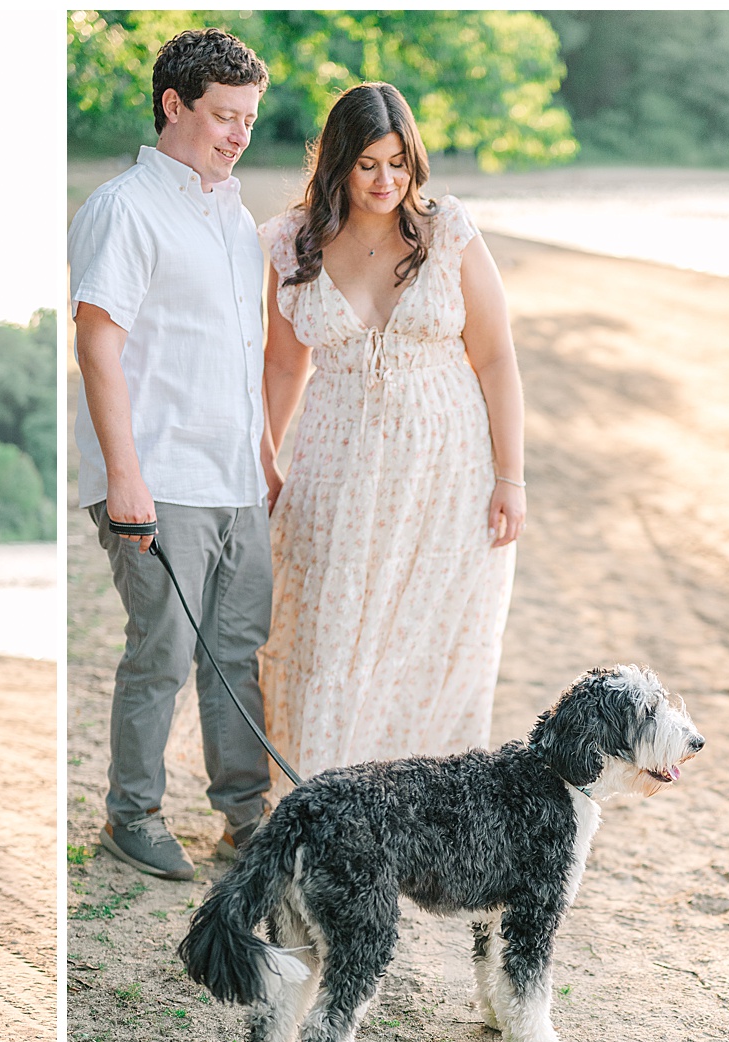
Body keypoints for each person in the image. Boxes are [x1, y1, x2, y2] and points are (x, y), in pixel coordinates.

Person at [258, 81, 524, 779]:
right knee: (326, 635)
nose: (386, 180)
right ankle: (313, 803)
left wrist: (510, 477)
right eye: (369, 163)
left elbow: (496, 359)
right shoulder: (295, 243)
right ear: (338, 161)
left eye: (399, 162)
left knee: (428, 646)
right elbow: (284, 367)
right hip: (336, 467)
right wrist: (263, 460)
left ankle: (414, 818)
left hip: (448, 475)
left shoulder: (448, 233)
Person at [69, 28, 274, 881]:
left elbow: (243, 353)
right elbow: (97, 346)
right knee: (162, 653)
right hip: (157, 478)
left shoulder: (234, 219)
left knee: (237, 650)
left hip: (235, 480)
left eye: (250, 120)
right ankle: (133, 818)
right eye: (224, 116)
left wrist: (265, 454)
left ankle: (245, 821)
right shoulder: (124, 208)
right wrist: (125, 479)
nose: (238, 134)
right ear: (174, 106)